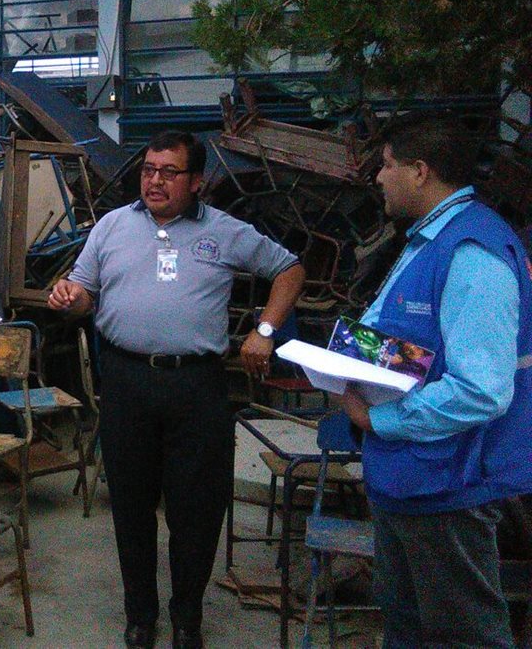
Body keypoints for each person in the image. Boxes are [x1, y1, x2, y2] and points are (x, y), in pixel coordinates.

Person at [48, 130, 305, 649]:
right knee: (131, 505)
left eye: (169, 172)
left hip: (197, 385)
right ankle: (140, 615)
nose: (155, 181)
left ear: (196, 181)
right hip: (127, 380)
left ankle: (188, 616)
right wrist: (69, 297)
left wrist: (265, 330)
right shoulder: (112, 227)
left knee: (198, 507)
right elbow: (84, 296)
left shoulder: (225, 232)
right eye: (148, 170)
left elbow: (290, 269)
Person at [338, 114, 532, 648]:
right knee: (410, 631)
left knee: (461, 636)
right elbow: (421, 348)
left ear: (420, 171)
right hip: (410, 479)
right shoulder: (431, 238)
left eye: (387, 166)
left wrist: (377, 415)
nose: (379, 178)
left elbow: (482, 388)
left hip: (447, 486)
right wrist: (346, 359)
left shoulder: (474, 252)